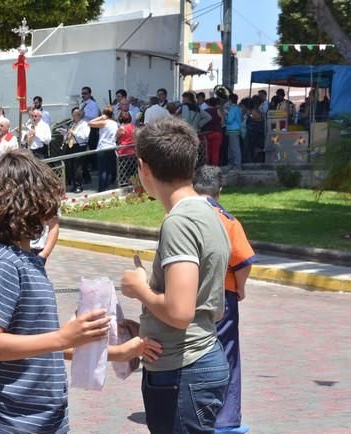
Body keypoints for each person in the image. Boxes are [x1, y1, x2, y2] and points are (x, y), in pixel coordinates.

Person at [0, 149, 112, 434]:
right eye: (46, 195)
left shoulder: (29, 259)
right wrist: (62, 337)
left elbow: (40, 339)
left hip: (46, 417)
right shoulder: (6, 263)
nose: (52, 205)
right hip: (11, 420)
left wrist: (99, 342)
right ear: (26, 199)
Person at [120, 117, 230, 434]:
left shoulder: (179, 221)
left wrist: (139, 288)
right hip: (192, 362)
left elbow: (180, 313)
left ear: (143, 168)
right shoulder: (207, 210)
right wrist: (143, 324)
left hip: (184, 369)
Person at [193, 165, 255, 434]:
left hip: (188, 295)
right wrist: (240, 288)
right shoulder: (227, 220)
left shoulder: (180, 215)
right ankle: (225, 418)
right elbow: (243, 260)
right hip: (222, 296)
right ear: (220, 190)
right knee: (226, 354)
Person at [88, 106, 118, 192]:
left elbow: (90, 123)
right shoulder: (114, 123)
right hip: (112, 147)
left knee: (102, 170)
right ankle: (107, 186)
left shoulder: (104, 122)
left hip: (103, 147)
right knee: (108, 169)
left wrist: (101, 117)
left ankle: (102, 188)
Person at [62, 107, 91, 193]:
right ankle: (74, 185)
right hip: (71, 146)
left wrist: (73, 132)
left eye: (75, 115)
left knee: (78, 167)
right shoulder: (73, 124)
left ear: (80, 115)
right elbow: (70, 134)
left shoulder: (84, 124)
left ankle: (79, 186)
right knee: (70, 166)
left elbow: (84, 136)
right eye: (73, 115)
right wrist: (65, 133)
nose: (73, 117)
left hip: (79, 146)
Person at [201, 97, 224, 166]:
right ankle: (214, 169)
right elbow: (222, 122)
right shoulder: (218, 111)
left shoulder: (204, 111)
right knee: (215, 152)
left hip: (206, 133)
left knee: (207, 152)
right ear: (216, 104)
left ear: (208, 103)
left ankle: (207, 168)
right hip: (217, 133)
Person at [116, 111, 137, 186]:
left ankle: (124, 184)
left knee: (123, 170)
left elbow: (116, 138)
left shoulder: (122, 128)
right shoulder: (134, 127)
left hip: (123, 152)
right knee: (133, 170)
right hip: (133, 151)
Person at [80, 86, 101, 151]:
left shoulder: (93, 104)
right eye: (82, 93)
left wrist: (84, 115)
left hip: (92, 128)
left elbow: (95, 116)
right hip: (83, 127)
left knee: (92, 147)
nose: (83, 95)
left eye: (85, 93)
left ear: (89, 94)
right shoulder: (81, 104)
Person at [225, 94, 243, 170]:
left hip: (232, 130)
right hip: (237, 129)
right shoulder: (238, 108)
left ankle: (237, 166)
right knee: (233, 148)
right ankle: (233, 164)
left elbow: (229, 120)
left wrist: (226, 114)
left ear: (230, 100)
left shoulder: (232, 109)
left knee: (234, 149)